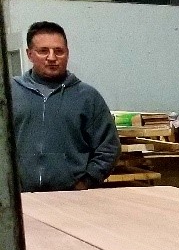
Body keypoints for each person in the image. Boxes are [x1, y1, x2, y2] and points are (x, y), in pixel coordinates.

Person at [11, 20, 119, 193]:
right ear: (29, 54)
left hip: (72, 199)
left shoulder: (87, 97)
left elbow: (108, 147)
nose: (52, 58)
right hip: (19, 199)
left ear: (67, 53)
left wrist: (86, 181)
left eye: (59, 51)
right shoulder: (10, 94)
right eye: (43, 51)